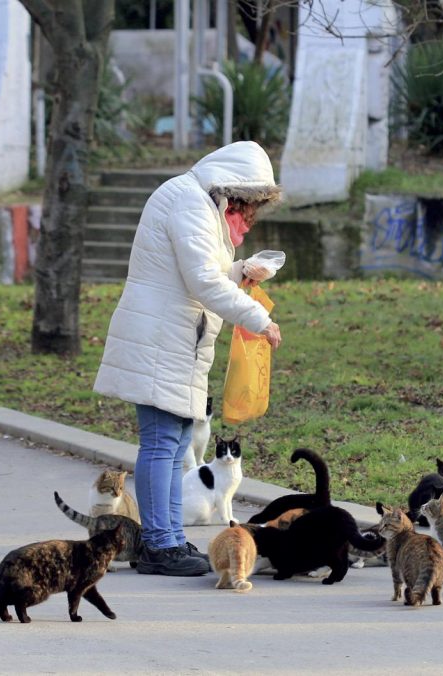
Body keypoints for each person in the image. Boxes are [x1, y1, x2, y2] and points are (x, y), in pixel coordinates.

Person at [93, 141, 283, 576]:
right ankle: (159, 546)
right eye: (247, 209)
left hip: (175, 338)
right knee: (162, 442)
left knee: (177, 441)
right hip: (162, 337)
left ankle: (171, 539)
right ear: (235, 193)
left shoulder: (198, 202)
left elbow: (202, 275)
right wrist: (258, 318)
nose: (245, 220)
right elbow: (202, 281)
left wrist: (241, 271)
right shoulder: (190, 203)